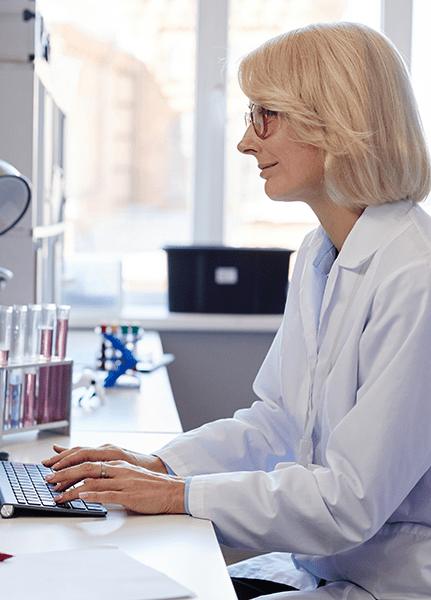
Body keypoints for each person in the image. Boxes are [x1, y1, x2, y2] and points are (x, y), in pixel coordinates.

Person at [43, 22, 431, 599]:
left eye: (264, 116)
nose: (247, 143)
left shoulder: (414, 275)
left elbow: (347, 501)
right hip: (325, 570)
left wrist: (177, 496)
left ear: (335, 121)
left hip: (391, 585)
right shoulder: (320, 252)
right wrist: (158, 466)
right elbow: (276, 422)